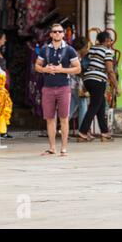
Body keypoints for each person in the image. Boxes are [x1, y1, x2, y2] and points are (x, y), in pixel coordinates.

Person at [35, 23, 81, 156]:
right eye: (54, 32)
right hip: (48, 87)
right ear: (50, 34)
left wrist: (62, 69)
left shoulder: (69, 50)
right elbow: (37, 65)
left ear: (63, 34)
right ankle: (52, 147)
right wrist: (45, 69)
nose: (57, 34)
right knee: (49, 118)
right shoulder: (45, 49)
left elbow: (78, 68)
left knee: (64, 118)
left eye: (59, 32)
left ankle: (64, 148)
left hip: (63, 87)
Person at [78, 31, 120, 142]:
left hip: (88, 79)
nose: (111, 42)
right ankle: (82, 133)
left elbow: (83, 65)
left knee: (100, 106)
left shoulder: (91, 49)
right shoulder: (107, 51)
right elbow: (110, 71)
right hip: (98, 80)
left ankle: (104, 133)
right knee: (94, 106)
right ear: (106, 40)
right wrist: (117, 86)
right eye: (110, 40)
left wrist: (84, 83)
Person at [69, 37, 89, 137]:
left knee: (71, 108)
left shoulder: (72, 54)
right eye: (86, 47)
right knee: (83, 106)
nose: (87, 50)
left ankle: (59, 127)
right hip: (75, 85)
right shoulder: (76, 56)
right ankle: (82, 131)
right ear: (82, 47)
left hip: (70, 85)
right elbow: (77, 71)